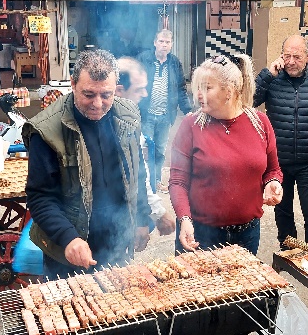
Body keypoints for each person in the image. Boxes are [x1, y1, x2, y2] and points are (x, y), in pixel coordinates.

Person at [169, 54, 283, 335]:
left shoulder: (260, 124)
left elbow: (273, 168)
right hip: (201, 233)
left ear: (231, 91)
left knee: (228, 302)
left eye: (207, 87)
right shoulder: (191, 126)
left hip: (245, 233)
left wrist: (274, 184)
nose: (199, 94)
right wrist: (185, 219)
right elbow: (177, 180)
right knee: (189, 306)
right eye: (197, 87)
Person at [22, 49, 153, 280]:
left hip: (116, 240)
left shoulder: (128, 114)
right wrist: (68, 237)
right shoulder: (46, 130)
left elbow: (136, 172)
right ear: (73, 84)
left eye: (106, 95)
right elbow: (40, 196)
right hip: (67, 249)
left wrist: (143, 218)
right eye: (89, 94)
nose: (98, 104)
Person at [253, 35, 308, 246]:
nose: (291, 62)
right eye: (287, 56)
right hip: (278, 163)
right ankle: (288, 251)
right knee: (283, 211)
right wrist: (267, 75)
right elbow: (248, 101)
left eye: (297, 56)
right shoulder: (272, 80)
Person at [115, 56, 176, 236]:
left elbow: (141, 174)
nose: (145, 94)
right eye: (139, 89)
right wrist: (154, 214)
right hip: (112, 222)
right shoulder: (111, 124)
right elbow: (134, 177)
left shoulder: (130, 119)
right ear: (119, 90)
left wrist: (153, 213)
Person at [137, 29, 192, 187]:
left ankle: (157, 180)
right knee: (146, 148)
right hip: (146, 114)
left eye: (167, 42)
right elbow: (134, 82)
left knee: (160, 149)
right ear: (155, 43)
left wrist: (188, 110)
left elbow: (181, 88)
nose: (164, 45)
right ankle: (145, 182)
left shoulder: (175, 63)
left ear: (171, 45)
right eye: (161, 41)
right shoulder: (144, 59)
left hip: (165, 116)